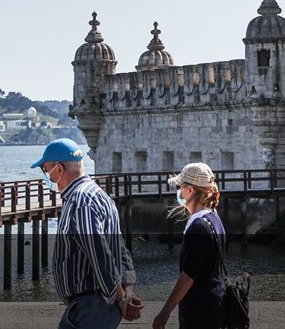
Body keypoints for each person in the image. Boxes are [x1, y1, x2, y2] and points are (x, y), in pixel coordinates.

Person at [32, 138, 143, 328]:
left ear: (58, 170)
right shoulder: (100, 195)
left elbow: (99, 254)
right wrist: (127, 290)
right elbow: (120, 248)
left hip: (92, 304)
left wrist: (121, 299)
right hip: (94, 304)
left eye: (45, 169)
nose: (46, 177)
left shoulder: (80, 201)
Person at [153, 162, 226, 329]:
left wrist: (164, 312)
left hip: (199, 311)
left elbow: (188, 276)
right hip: (216, 303)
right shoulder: (214, 219)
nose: (178, 191)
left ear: (190, 190)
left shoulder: (198, 226)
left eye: (180, 187)